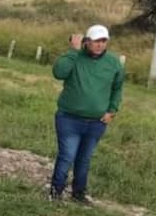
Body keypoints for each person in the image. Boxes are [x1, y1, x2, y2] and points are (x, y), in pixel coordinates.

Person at [49, 24, 124, 204]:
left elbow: (117, 87)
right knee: (67, 155)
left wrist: (112, 110)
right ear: (86, 42)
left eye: (103, 41)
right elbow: (59, 73)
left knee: (84, 159)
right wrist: (73, 51)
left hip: (96, 121)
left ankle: (78, 193)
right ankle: (55, 191)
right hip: (69, 118)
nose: (99, 45)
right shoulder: (75, 57)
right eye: (96, 41)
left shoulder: (113, 63)